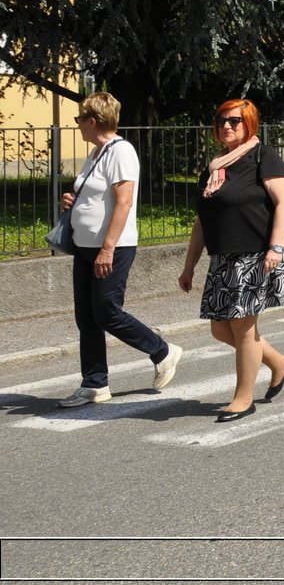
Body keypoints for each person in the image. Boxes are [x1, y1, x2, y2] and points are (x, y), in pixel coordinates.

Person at [56, 91, 183, 408]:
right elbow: (96, 195)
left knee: (107, 312)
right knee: (86, 318)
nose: (78, 126)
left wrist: (107, 249)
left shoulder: (121, 152)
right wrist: (73, 201)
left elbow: (124, 203)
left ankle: (162, 350)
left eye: (80, 120)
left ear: (93, 121)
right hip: (85, 246)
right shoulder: (95, 153)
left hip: (112, 246)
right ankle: (94, 384)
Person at [178, 99, 284, 422]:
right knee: (220, 330)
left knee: (244, 329)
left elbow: (283, 203)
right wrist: (189, 266)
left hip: (255, 255)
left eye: (234, 121)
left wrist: (276, 247)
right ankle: (278, 363)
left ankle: (243, 398)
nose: (226, 126)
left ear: (249, 123)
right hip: (222, 261)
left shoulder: (263, 156)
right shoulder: (215, 167)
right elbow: (202, 221)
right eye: (221, 121)